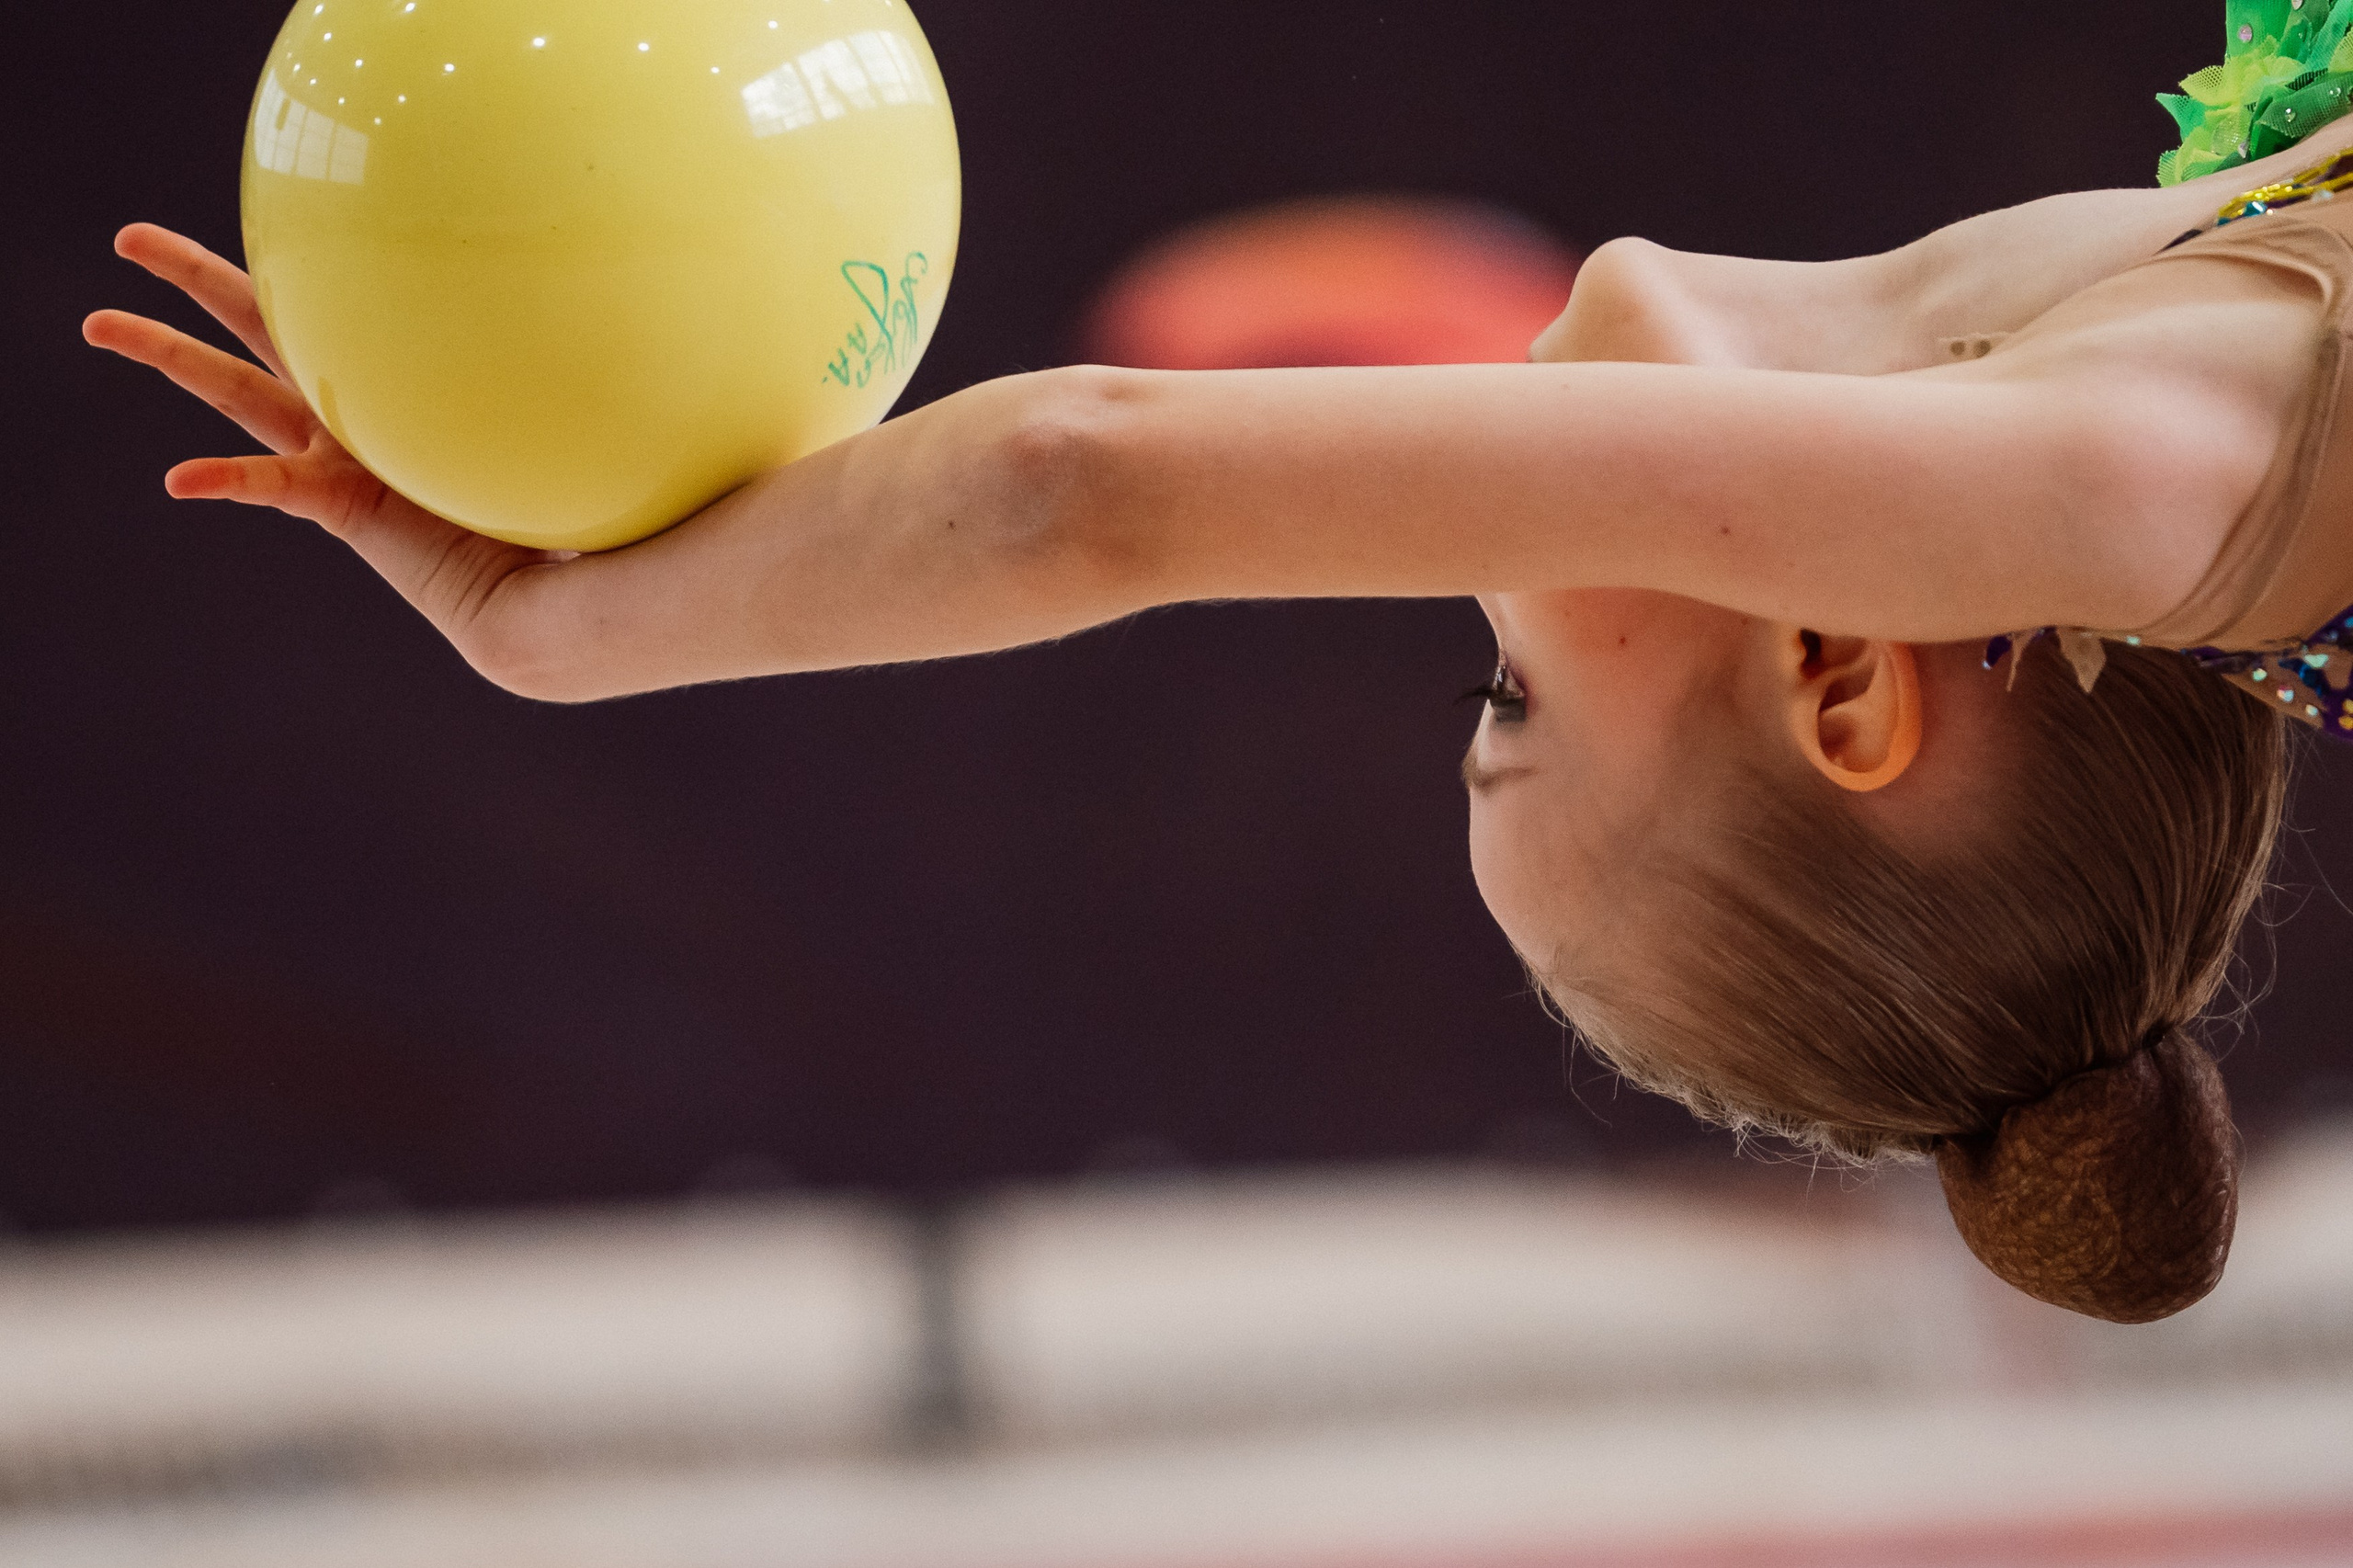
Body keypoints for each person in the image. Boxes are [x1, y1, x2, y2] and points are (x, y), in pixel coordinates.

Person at [85, 25, 2353, 1324]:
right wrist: (552, 635)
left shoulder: (2119, 347)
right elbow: (1090, 486)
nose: (1472, 596)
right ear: (1839, 680)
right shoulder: (2141, 471)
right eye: (1512, 704)